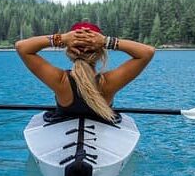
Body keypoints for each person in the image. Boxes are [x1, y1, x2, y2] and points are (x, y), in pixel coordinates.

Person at [15, 22, 155, 123]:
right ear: (101, 52)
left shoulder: (60, 80)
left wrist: (62, 38)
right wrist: (106, 41)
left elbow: (22, 47)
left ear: (69, 51)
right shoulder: (108, 83)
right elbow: (147, 52)